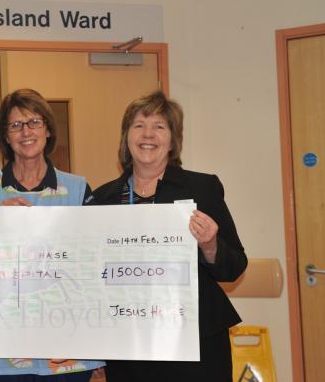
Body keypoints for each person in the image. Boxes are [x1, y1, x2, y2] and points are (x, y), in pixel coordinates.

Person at [92, 91, 247, 382]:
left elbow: (234, 267)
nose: (148, 134)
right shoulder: (102, 198)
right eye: (139, 125)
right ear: (126, 137)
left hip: (195, 341)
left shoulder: (202, 188)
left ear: (173, 140)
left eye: (159, 126)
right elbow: (89, 276)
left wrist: (210, 245)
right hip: (127, 341)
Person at [0, 88, 105, 381]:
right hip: (1, 352)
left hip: (67, 350)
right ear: (5, 135)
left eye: (34, 122)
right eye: (15, 125)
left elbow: (94, 263)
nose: (25, 132)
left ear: (48, 130)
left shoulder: (78, 188)